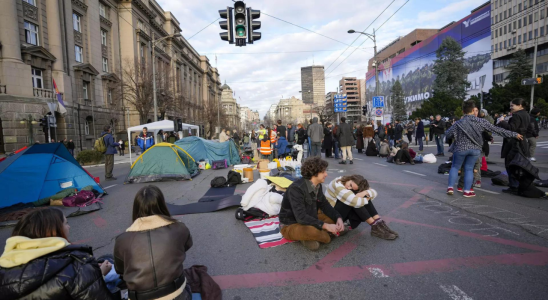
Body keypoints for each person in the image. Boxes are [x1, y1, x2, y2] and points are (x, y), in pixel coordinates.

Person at [0, 208, 116, 299]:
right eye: (66, 223)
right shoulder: (76, 265)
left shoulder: (5, 265)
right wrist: (99, 275)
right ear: (53, 231)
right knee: (113, 269)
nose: (69, 227)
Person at [114, 185, 193, 300]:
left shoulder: (122, 240)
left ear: (136, 208)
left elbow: (120, 270)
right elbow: (186, 246)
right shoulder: (179, 228)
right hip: (177, 294)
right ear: (162, 205)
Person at [446, 100, 522, 197]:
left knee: (455, 167)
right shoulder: (481, 121)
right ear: (474, 110)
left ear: (463, 112)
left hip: (460, 149)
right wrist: (514, 134)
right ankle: (467, 191)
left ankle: (450, 187)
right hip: (475, 149)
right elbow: (497, 130)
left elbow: (448, 134)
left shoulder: (458, 123)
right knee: (469, 169)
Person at [279, 157, 344, 251]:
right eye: (323, 172)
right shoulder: (296, 189)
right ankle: (323, 235)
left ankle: (313, 236)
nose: (326, 174)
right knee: (318, 234)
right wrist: (326, 226)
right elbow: (301, 217)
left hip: (311, 217)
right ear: (314, 173)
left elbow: (325, 205)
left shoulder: (317, 185)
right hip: (291, 224)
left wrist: (338, 217)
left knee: (333, 219)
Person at [326, 175, 397, 240]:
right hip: (331, 214)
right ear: (350, 178)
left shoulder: (350, 181)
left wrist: (364, 192)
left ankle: (380, 224)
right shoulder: (337, 184)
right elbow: (354, 201)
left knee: (360, 196)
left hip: (341, 212)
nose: (348, 187)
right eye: (350, 185)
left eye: (351, 187)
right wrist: (366, 198)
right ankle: (375, 226)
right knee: (355, 201)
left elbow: (374, 192)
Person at [496, 98, 530, 194]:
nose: (510, 108)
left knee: (510, 165)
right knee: (519, 165)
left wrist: (502, 122)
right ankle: (519, 184)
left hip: (514, 143)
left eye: (512, 106)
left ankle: (514, 186)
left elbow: (511, 129)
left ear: (520, 105)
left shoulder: (516, 115)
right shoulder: (526, 114)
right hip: (523, 142)